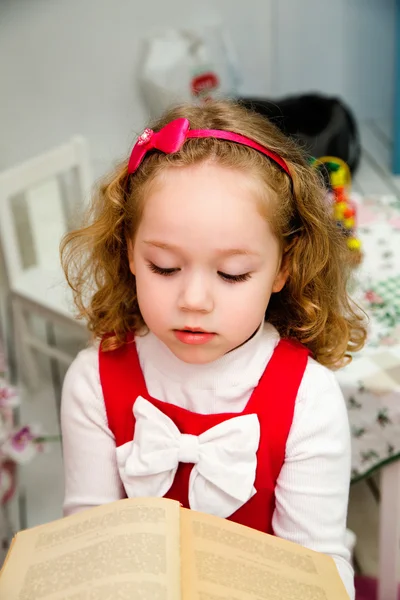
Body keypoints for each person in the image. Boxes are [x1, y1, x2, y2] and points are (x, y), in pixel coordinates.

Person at [60, 100, 366, 598]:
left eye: (232, 274)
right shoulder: (94, 379)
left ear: (282, 270)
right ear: (129, 253)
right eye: (164, 266)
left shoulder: (308, 397)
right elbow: (91, 544)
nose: (194, 301)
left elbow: (317, 565)